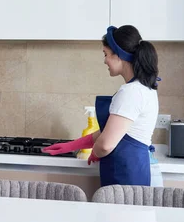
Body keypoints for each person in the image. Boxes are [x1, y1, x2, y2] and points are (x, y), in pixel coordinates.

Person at [43, 25, 159, 187]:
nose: (104, 60)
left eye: (106, 54)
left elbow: (105, 144)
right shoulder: (143, 88)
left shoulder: (131, 92)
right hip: (131, 172)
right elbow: (109, 133)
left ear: (119, 55)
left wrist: (97, 152)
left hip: (126, 177)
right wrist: (71, 145)